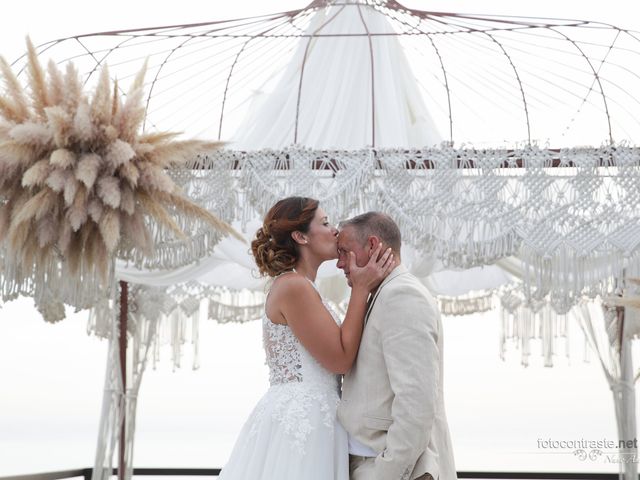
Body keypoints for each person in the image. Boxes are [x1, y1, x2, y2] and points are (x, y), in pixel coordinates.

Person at [218, 197, 395, 480]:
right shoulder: (294, 287)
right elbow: (339, 360)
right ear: (300, 236)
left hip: (316, 416)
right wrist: (360, 289)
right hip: (304, 421)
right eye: (324, 223)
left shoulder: (303, 287)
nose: (334, 230)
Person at [336, 212, 457, 480]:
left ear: (372, 245)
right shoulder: (381, 294)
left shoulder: (402, 296)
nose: (339, 263)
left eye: (344, 252)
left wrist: (386, 472)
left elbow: (416, 403)